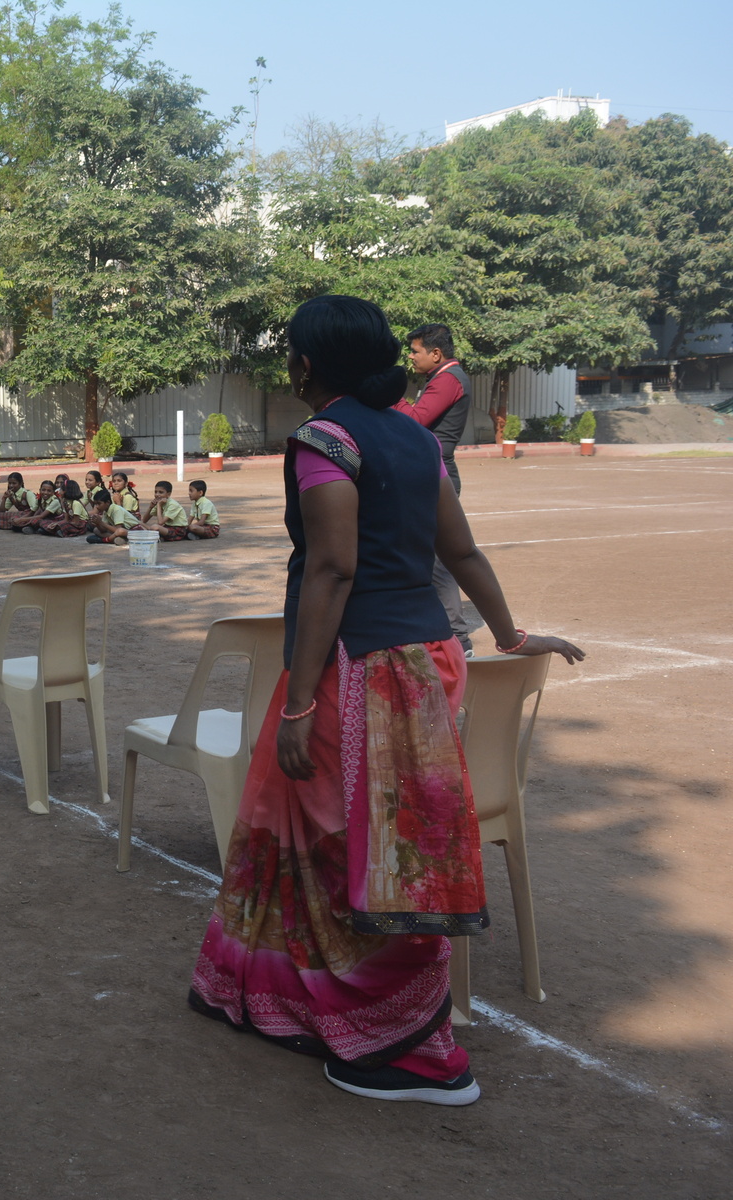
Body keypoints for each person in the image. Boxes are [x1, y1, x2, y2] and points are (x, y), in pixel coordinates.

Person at [188, 294, 584, 1107]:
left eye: (291, 353)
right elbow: (460, 550)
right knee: (382, 834)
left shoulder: (325, 440)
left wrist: (298, 705)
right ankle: (306, 997)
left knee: (351, 843)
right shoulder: (412, 435)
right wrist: (508, 636)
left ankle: (398, 1044)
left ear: (305, 364)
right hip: (427, 660)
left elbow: (333, 568)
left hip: (361, 667)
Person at [398, 323, 475, 653]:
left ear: (436, 353)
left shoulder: (448, 379)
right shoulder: (441, 377)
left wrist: (388, 395)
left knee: (437, 560)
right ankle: (444, 633)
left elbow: (416, 421)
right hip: (430, 471)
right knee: (425, 556)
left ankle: (457, 638)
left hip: (435, 473)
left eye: (415, 351)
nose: (411, 357)